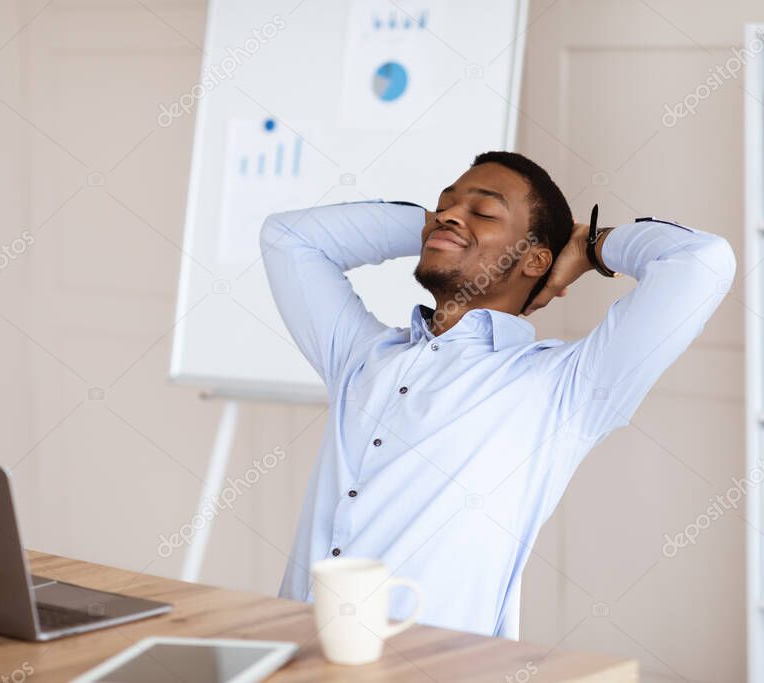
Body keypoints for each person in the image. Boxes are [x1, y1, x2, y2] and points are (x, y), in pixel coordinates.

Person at [261, 150, 735, 639]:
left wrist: (592, 246)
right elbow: (289, 238)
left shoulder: (563, 388)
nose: (448, 214)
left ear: (537, 260)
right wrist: (437, 227)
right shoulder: (361, 355)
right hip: (289, 654)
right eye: (443, 205)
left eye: (484, 212)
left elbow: (703, 261)